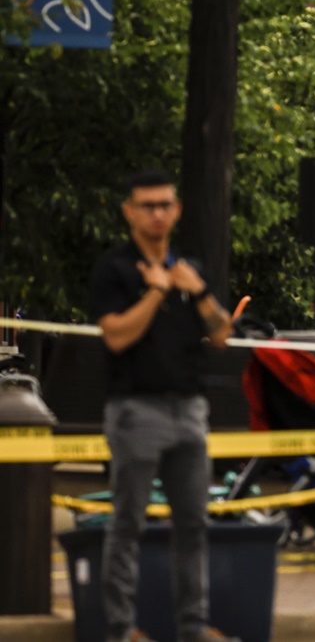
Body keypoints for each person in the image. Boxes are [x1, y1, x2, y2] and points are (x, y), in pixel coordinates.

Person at [89, 170, 236, 642]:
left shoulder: (190, 267)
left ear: (176, 211)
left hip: (189, 409)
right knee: (127, 523)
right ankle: (121, 630)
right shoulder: (114, 269)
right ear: (129, 211)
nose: (156, 213)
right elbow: (115, 336)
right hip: (136, 409)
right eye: (147, 205)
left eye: (164, 205)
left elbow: (220, 333)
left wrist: (194, 290)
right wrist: (156, 290)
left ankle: (192, 628)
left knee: (193, 524)